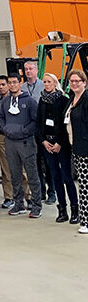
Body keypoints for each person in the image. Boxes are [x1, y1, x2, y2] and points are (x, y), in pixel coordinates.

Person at [0, 73, 42, 218]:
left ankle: (36, 205)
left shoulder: (29, 101)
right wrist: (5, 130)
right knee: (14, 174)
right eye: (9, 83)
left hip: (26, 142)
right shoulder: (5, 102)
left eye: (14, 82)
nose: (12, 85)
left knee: (32, 175)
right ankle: (18, 204)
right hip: (10, 142)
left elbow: (35, 121)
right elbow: (1, 118)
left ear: (20, 83)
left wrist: (24, 131)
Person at [38, 72, 78, 224]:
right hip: (47, 145)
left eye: (49, 82)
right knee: (55, 178)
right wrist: (43, 141)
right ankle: (62, 209)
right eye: (44, 82)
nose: (46, 84)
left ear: (55, 83)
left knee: (67, 177)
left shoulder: (63, 100)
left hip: (61, 145)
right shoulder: (42, 100)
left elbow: (65, 123)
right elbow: (39, 123)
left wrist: (59, 143)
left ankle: (75, 209)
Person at [0, 75, 30, 210]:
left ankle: (28, 196)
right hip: (2, 136)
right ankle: (9, 197)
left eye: (4, 84)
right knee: (6, 168)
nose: (1, 87)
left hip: (20, 136)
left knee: (22, 168)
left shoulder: (21, 99)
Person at [22, 59, 54, 204]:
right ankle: (40, 192)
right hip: (30, 131)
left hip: (45, 131)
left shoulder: (44, 85)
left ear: (36, 70)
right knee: (34, 164)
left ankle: (51, 192)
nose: (28, 71)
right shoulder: (21, 87)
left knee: (48, 163)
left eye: (31, 69)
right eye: (26, 69)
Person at [65, 69, 88, 234]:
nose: (74, 84)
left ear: (84, 83)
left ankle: (86, 222)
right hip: (77, 148)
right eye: (72, 81)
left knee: (85, 186)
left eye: (77, 81)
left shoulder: (86, 99)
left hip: (86, 148)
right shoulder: (72, 99)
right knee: (82, 184)